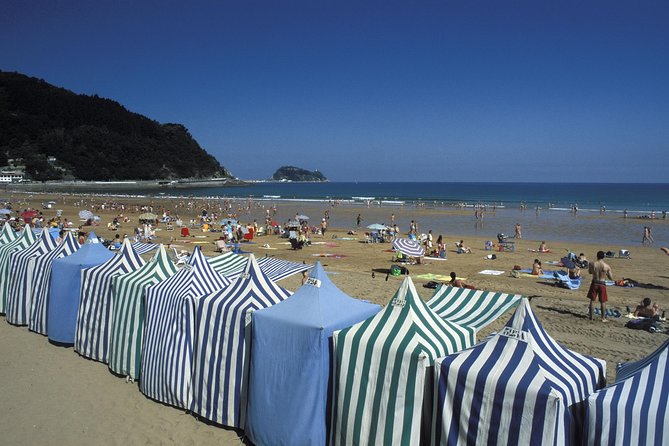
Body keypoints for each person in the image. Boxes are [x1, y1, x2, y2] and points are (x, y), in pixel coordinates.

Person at [587, 250, 614, 322]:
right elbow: (611, 278)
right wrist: (607, 273)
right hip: (602, 283)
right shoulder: (606, 266)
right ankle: (603, 318)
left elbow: (590, 272)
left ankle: (591, 317)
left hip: (595, 282)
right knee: (603, 301)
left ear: (597, 256)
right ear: (604, 257)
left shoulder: (593, 264)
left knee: (592, 300)